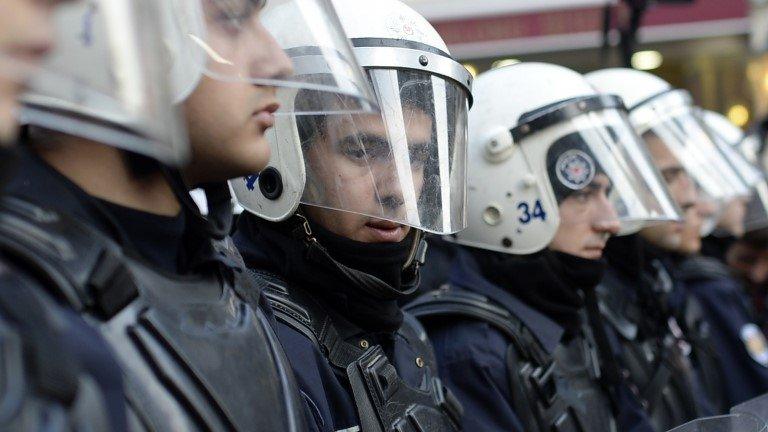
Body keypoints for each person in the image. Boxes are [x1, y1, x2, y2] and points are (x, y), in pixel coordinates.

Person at [0, 0, 377, 430]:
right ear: (103, 39)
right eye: (231, 21)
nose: (277, 63)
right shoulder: (24, 301)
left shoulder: (222, 273)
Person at [230, 0, 472, 430]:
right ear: (286, 155)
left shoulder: (406, 332)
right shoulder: (255, 335)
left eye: (416, 157)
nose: (398, 189)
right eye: (364, 150)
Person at [405, 62, 669, 432]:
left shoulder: (571, 307)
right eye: (582, 196)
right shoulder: (471, 351)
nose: (610, 221)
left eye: (607, 193)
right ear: (503, 197)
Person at [588, 67, 768, 414]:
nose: (690, 199)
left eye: (689, 174)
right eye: (668, 176)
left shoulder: (663, 284)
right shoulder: (603, 305)